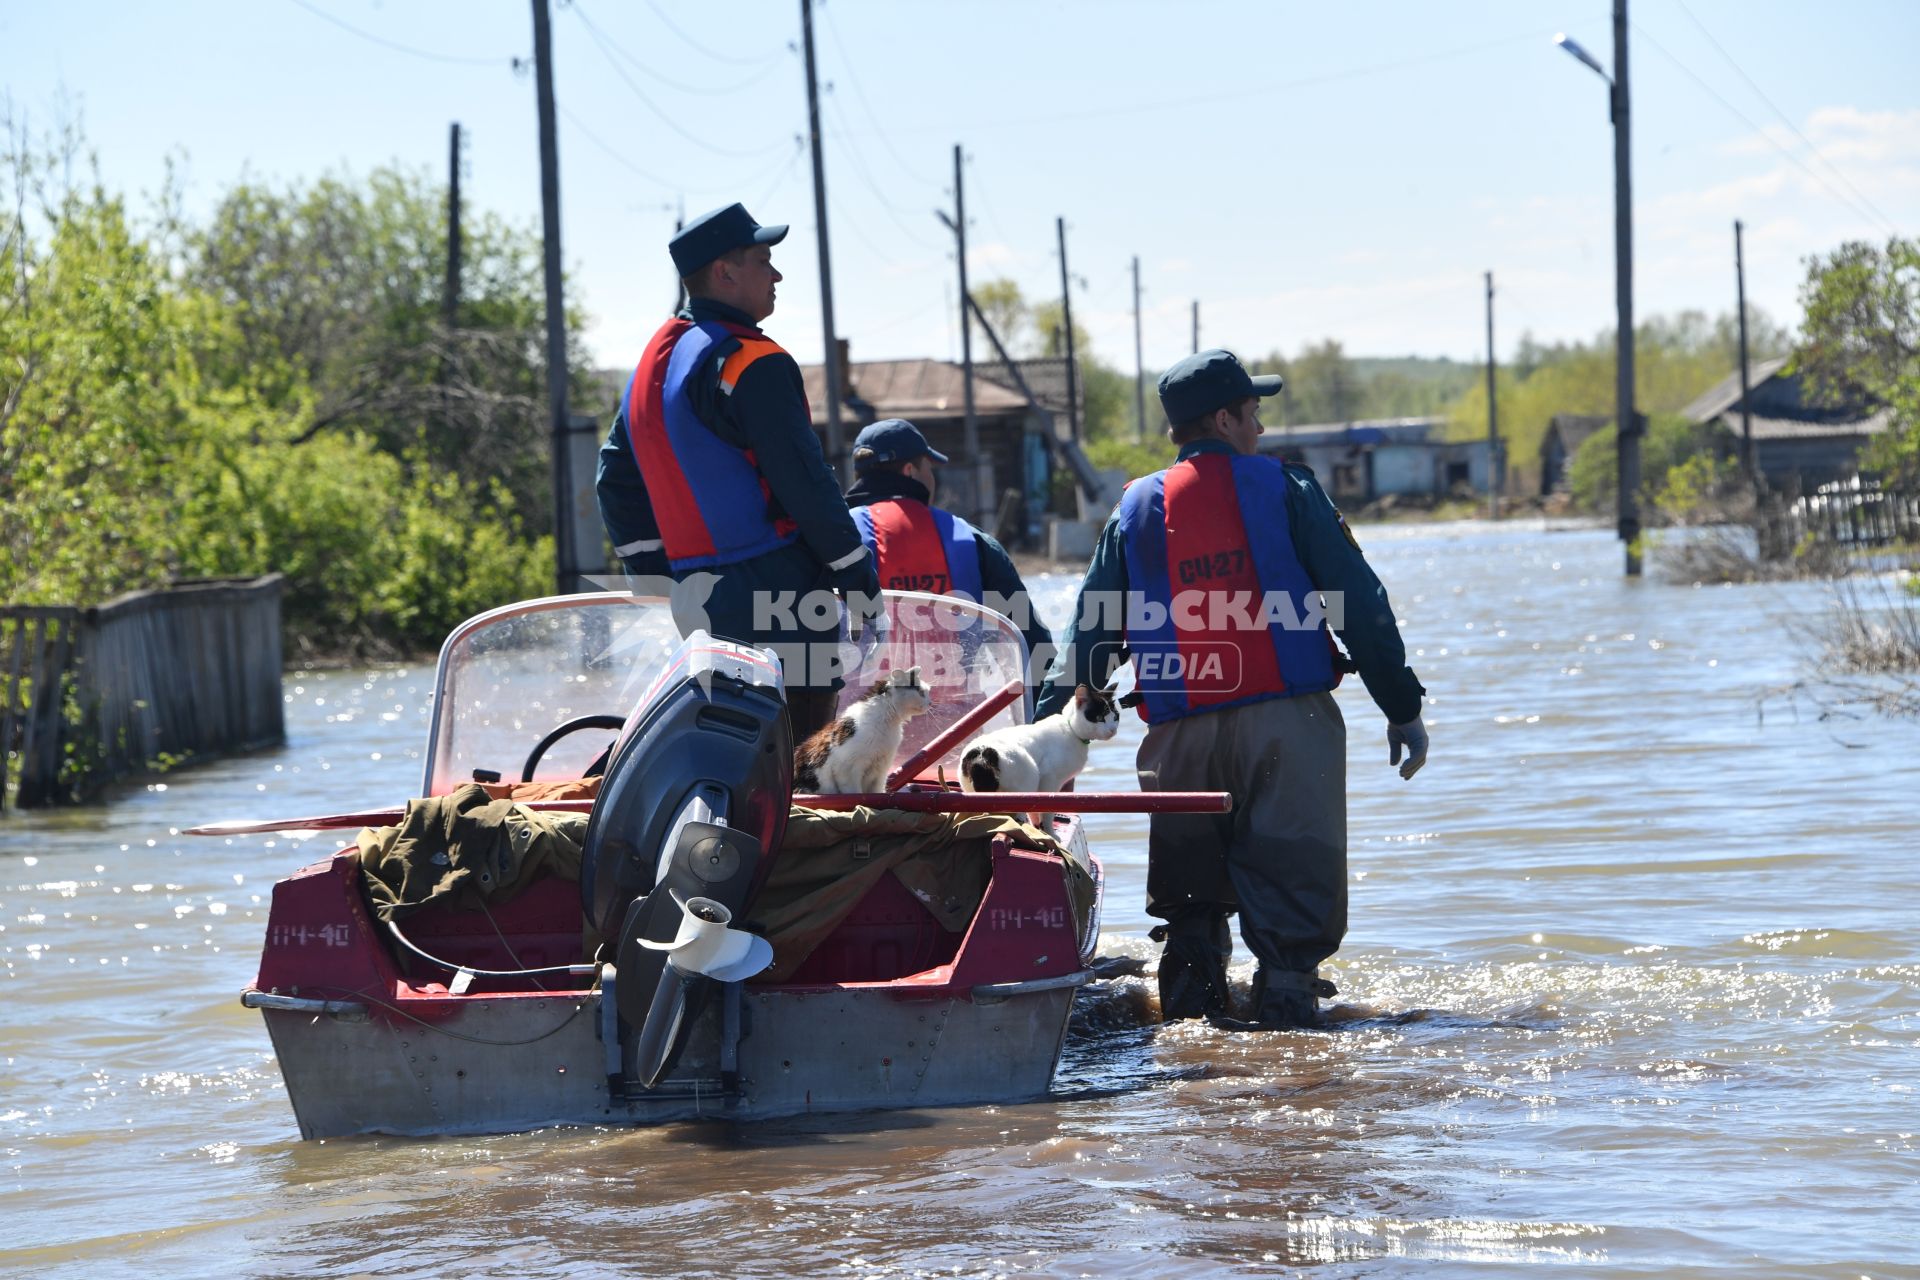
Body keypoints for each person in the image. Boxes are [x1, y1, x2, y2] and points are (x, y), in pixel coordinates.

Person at [1036, 348, 1428, 1030]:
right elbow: (1358, 603)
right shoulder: (1290, 490)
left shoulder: (1133, 508)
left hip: (1179, 738)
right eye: (1253, 413)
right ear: (1224, 418)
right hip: (1288, 724)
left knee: (1191, 908)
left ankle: (1196, 1050)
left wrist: (1042, 739)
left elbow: (1088, 635)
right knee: (1293, 905)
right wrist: (1402, 706)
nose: (1260, 429)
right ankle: (1290, 1026)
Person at [595, 202, 878, 741]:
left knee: (730, 745)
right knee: (800, 758)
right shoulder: (753, 361)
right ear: (725, 272)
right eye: (764, 260)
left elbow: (614, 478)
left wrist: (658, 575)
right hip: (781, 586)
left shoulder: (651, 366)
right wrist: (853, 566)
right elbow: (804, 477)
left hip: (700, 595)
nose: (776, 275)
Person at [841, 419, 1056, 690]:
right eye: (929, 468)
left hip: (856, 727)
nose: (933, 478)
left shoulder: (832, 543)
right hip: (959, 725)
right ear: (910, 471)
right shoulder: (972, 541)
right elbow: (1034, 650)